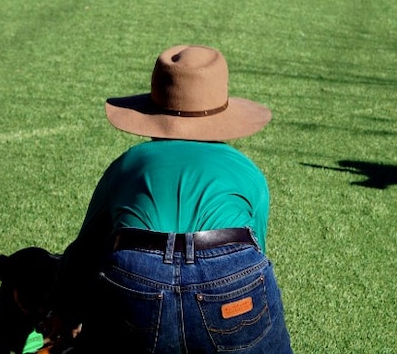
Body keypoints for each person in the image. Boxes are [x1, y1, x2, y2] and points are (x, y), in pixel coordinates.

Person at [50, 44, 293, 354]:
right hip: (232, 286)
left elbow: (85, 252)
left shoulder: (128, 165)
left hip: (135, 281)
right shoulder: (247, 171)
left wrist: (66, 313)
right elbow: (254, 250)